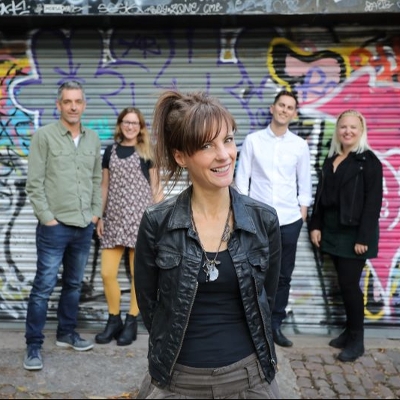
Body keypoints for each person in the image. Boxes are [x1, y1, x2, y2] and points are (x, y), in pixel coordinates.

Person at [134, 90, 281, 399]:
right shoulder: (157, 222)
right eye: (206, 145)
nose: (224, 155)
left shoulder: (263, 220)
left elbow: (266, 296)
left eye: (228, 140)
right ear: (180, 156)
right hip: (177, 382)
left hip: (248, 379)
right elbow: (151, 306)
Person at [24, 80, 102, 370]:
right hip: (54, 227)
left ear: (84, 104)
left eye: (78, 101)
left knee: (73, 285)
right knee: (43, 287)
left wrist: (95, 214)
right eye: (67, 101)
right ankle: (33, 345)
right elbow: (34, 184)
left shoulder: (93, 139)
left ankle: (66, 333)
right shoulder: (44, 136)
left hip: (83, 226)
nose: (73, 106)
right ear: (59, 105)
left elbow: (96, 179)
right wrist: (48, 219)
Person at [235, 89, 312, 348]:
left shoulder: (299, 146)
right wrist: (244, 215)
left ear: (294, 114)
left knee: (283, 275)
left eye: (290, 107)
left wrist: (301, 214)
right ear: (272, 108)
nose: (284, 110)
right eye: (281, 105)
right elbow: (242, 180)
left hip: (289, 220)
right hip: (257, 220)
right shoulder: (253, 141)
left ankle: (275, 324)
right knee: (254, 271)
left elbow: (304, 182)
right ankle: (253, 323)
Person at [309, 109, 383, 362]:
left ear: (361, 131)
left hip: (354, 235)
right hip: (332, 230)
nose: (347, 131)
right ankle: (348, 332)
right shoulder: (331, 159)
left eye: (353, 127)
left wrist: (363, 238)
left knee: (350, 285)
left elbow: (373, 203)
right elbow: (321, 197)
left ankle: (357, 340)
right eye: (343, 127)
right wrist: (315, 225)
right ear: (337, 130)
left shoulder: (369, 162)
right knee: (342, 283)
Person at [95, 107, 163, 346]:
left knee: (139, 275)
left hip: (140, 221)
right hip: (114, 220)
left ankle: (132, 320)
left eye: (135, 123)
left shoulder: (147, 152)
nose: (130, 126)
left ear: (141, 127)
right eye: (126, 122)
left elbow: (156, 188)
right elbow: (105, 186)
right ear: (120, 124)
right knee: (107, 273)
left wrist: (159, 220)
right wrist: (100, 216)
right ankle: (113, 319)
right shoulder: (110, 151)